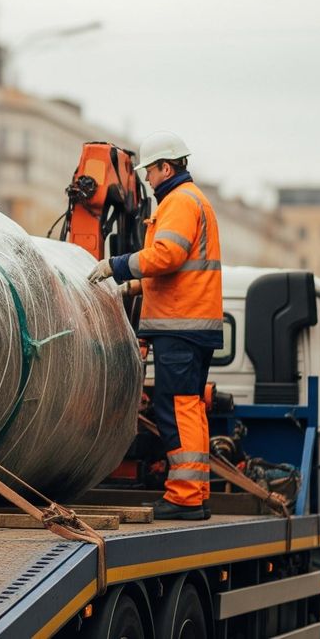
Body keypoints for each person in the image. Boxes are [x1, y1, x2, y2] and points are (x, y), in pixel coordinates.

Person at [87, 131, 223, 520]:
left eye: (151, 170)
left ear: (168, 167)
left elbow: (167, 255)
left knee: (176, 407)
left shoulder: (180, 201)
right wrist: (135, 285)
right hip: (193, 322)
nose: (147, 178)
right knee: (188, 406)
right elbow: (177, 266)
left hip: (181, 324)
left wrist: (115, 265)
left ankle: (183, 496)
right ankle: (194, 491)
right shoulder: (194, 200)